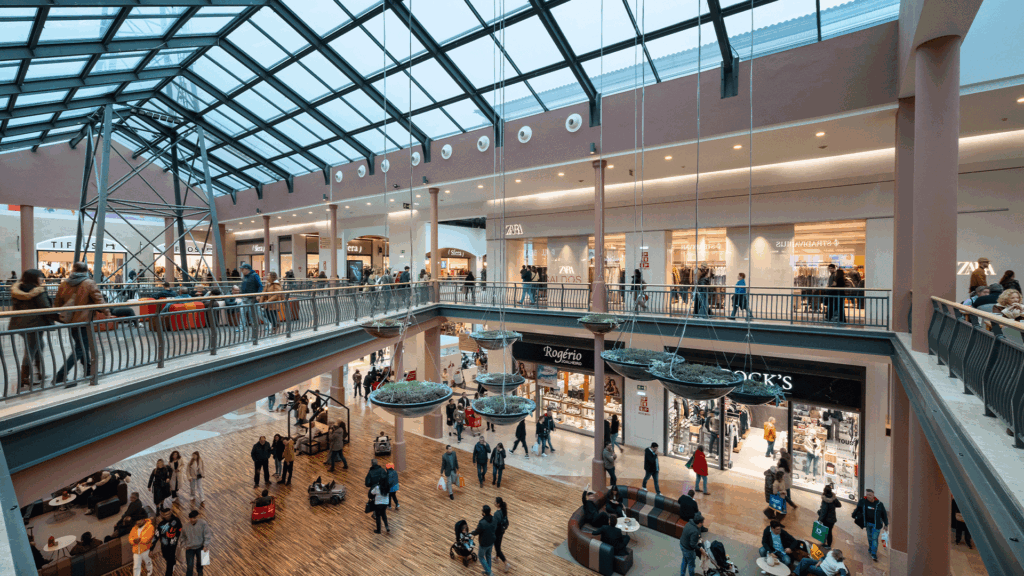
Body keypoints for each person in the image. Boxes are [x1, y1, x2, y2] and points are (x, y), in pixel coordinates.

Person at [53, 262, 107, 386]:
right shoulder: (89, 283)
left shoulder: (64, 284)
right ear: (86, 271)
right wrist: (107, 312)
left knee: (81, 346)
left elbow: (57, 304)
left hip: (71, 320)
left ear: (73, 270)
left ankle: (88, 370)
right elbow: (99, 300)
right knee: (81, 348)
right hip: (84, 321)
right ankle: (60, 375)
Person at [9, 269, 57, 389]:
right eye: (40, 277)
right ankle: (24, 377)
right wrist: (61, 317)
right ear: (34, 278)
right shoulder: (38, 291)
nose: (42, 279)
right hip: (35, 325)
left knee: (39, 345)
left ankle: (39, 373)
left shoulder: (17, 290)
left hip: (19, 324)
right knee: (31, 350)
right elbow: (46, 308)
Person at [852, 489, 889, 561]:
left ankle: (873, 554)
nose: (868, 496)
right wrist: (854, 515)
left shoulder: (879, 504)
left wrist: (886, 524)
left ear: (873, 495)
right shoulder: (864, 501)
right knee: (869, 537)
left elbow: (884, 514)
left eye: (870, 495)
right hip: (868, 524)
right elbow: (858, 508)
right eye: (867, 494)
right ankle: (870, 548)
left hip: (876, 525)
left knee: (874, 539)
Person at [153, 507, 183, 576]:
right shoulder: (161, 524)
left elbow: (180, 528)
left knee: (169, 563)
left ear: (171, 512)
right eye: (165, 515)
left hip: (173, 544)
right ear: (162, 515)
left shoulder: (176, 520)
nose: (167, 516)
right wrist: (151, 548)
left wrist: (177, 536)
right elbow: (156, 535)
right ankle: (173, 562)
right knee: (165, 556)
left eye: (168, 514)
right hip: (164, 545)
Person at [182, 510, 211, 576]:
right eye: (191, 518)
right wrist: (185, 545)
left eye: (195, 518)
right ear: (189, 518)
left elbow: (207, 534)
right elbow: (182, 537)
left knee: (200, 564)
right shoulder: (185, 526)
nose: (193, 519)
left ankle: (200, 574)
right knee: (189, 566)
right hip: (189, 548)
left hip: (201, 547)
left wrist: (205, 545)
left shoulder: (203, 523)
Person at [471, 504, 498, 576]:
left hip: (484, 543)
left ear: (483, 512)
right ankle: (488, 572)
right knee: (488, 555)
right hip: (491, 541)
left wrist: (471, 533)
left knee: (481, 557)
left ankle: (490, 573)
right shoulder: (494, 519)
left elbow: (477, 532)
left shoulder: (482, 523)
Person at [237, 262, 262, 333]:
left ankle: (267, 324)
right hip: (245, 298)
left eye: (242, 269)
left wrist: (258, 295)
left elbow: (260, 285)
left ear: (247, 269)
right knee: (242, 312)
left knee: (257, 313)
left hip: (252, 298)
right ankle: (242, 327)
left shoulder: (255, 276)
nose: (241, 271)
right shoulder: (245, 276)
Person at [818, 484, 842, 548]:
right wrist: (833, 505)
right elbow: (839, 505)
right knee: (829, 532)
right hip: (832, 519)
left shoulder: (825, 500)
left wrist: (820, 520)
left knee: (825, 532)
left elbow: (824, 512)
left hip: (826, 520)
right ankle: (828, 544)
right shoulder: (833, 498)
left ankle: (826, 544)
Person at [493, 497, 511, 571]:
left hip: (497, 533)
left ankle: (506, 563)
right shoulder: (504, 510)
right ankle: (496, 558)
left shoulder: (496, 513)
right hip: (501, 531)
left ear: (498, 504)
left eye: (495, 502)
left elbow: (495, 525)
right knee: (498, 545)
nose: (494, 502)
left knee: (497, 549)